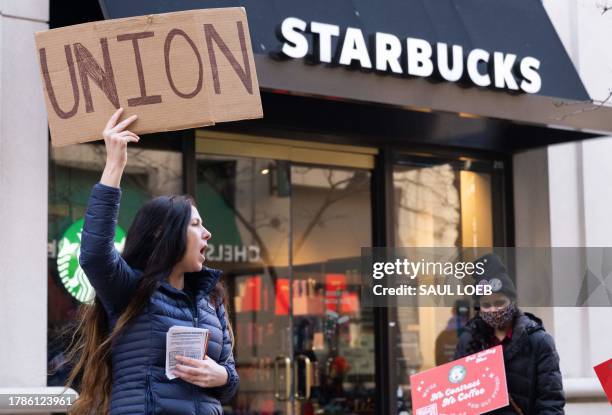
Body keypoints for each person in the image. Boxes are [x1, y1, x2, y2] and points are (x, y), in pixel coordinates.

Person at [65, 108, 239, 414]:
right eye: (196, 225)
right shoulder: (131, 289)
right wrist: (114, 165)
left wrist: (221, 375)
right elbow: (94, 254)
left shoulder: (212, 300)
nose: (208, 234)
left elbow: (230, 380)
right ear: (162, 233)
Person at [454, 253, 565, 415]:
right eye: (486, 305)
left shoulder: (539, 341)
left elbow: (551, 402)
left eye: (499, 303)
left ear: (512, 301)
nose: (493, 310)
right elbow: (457, 397)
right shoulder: (468, 340)